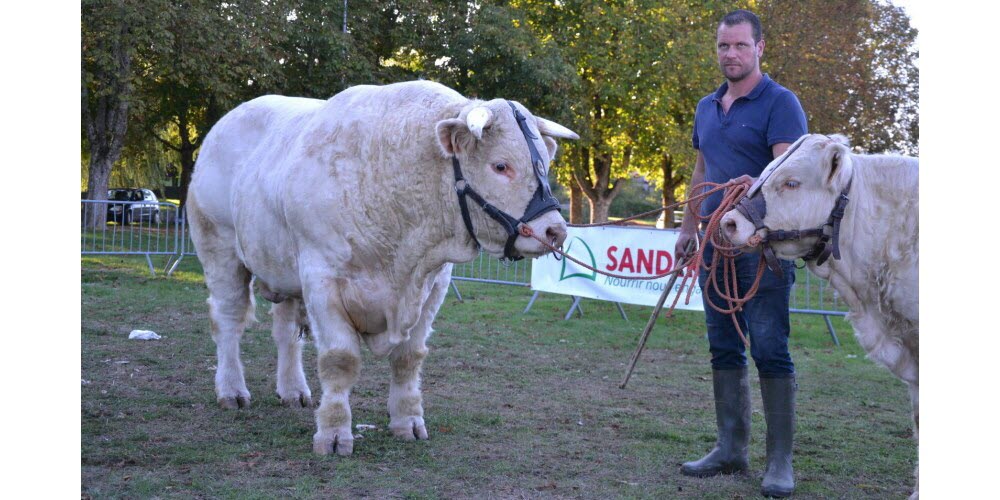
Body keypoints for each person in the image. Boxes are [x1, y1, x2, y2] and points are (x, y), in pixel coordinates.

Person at [673, 9, 807, 498]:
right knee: (723, 347)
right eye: (724, 47)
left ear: (759, 48)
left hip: (760, 251)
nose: (730, 55)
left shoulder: (781, 103)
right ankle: (730, 448)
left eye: (740, 46)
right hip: (713, 247)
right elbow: (703, 165)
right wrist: (688, 227)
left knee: (770, 349)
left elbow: (786, 176)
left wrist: (757, 197)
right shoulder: (707, 106)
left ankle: (779, 462)